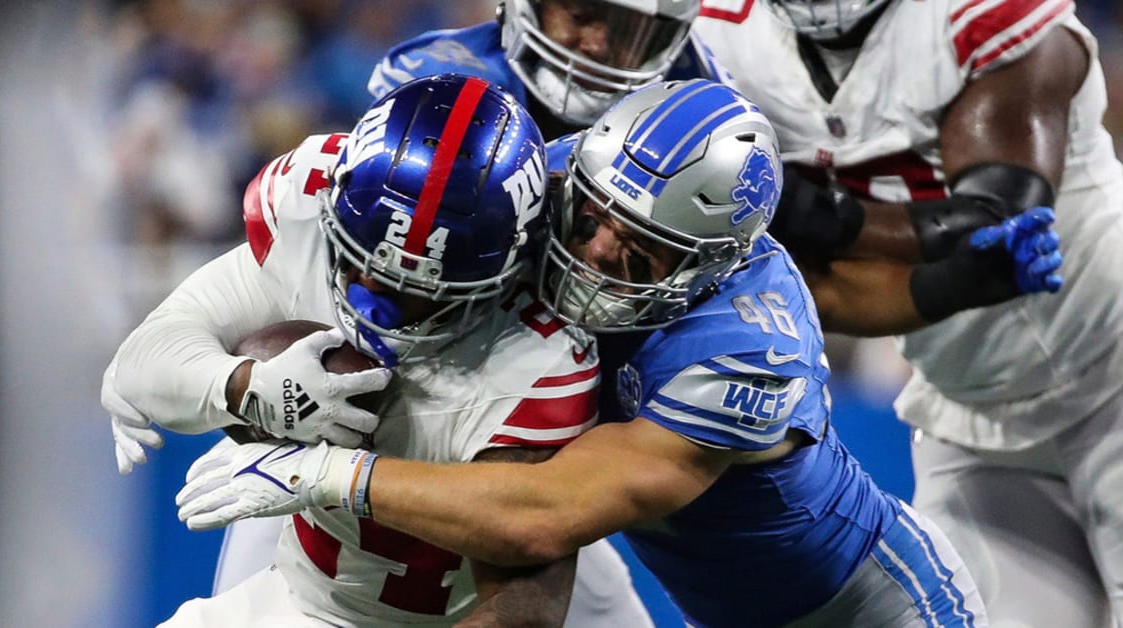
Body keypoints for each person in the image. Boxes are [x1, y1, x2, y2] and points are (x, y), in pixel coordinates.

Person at [173, 79, 1052, 627]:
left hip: (854, 609)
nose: (591, 252)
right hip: (648, 562)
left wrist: (329, 474)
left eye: (639, 253)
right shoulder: (547, 181)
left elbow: (549, 511)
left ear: (709, 265)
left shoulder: (742, 342)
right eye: (591, 217)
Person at [104, 74, 604, 626]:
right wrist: (248, 387)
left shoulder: (535, 359)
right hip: (307, 589)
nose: (374, 310)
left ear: (502, 279)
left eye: (415, 294)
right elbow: (143, 360)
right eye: (362, 266)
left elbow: (524, 605)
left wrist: (329, 471)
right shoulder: (307, 220)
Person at [694, 0, 1123, 624]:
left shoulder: (980, 18)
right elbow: (818, 292)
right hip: (970, 410)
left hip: (1111, 364)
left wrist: (807, 213)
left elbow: (994, 218)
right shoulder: (716, 38)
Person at [369, 0, 715, 139]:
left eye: (629, 31)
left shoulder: (698, 102)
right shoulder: (444, 78)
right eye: (581, 16)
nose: (598, 45)